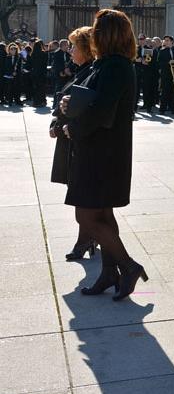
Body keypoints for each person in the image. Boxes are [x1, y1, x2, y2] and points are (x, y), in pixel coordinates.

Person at [60, 9, 147, 301]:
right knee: (102, 213)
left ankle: (128, 266)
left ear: (106, 33)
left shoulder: (116, 67)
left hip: (103, 153)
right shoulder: (108, 65)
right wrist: (72, 104)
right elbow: (93, 100)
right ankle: (110, 272)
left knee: (87, 215)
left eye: (97, 29)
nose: (93, 34)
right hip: (101, 151)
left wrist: (74, 126)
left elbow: (101, 111)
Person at [49, 26, 95, 260]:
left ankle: (85, 239)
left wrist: (58, 127)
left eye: (75, 47)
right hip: (69, 138)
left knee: (81, 197)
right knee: (78, 194)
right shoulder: (82, 71)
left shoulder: (89, 72)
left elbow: (77, 106)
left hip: (75, 138)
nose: (71, 51)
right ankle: (88, 237)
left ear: (86, 50)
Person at [157, 35, 174, 114]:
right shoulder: (162, 51)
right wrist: (168, 62)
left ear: (172, 42)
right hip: (166, 74)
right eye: (165, 40)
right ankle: (162, 109)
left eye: (167, 40)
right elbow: (159, 63)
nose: (165, 42)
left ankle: (173, 108)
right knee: (165, 92)